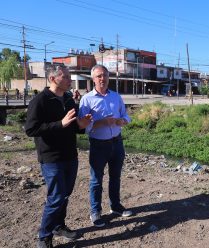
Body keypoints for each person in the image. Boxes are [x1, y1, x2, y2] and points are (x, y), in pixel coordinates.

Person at [25, 65, 92, 248]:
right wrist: (59, 124)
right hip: (51, 158)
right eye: (66, 76)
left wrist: (81, 125)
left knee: (65, 195)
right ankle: (44, 236)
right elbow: (31, 129)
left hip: (70, 155)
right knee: (56, 197)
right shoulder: (40, 100)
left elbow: (72, 126)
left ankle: (59, 226)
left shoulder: (69, 99)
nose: (70, 79)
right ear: (53, 79)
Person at [79, 65, 132, 227]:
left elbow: (125, 115)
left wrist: (123, 121)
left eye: (105, 76)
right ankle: (95, 212)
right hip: (98, 145)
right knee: (96, 180)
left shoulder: (116, 97)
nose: (103, 79)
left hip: (117, 142)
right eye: (99, 76)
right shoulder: (86, 99)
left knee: (115, 177)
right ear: (93, 79)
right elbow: (83, 126)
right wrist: (100, 122)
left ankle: (115, 206)